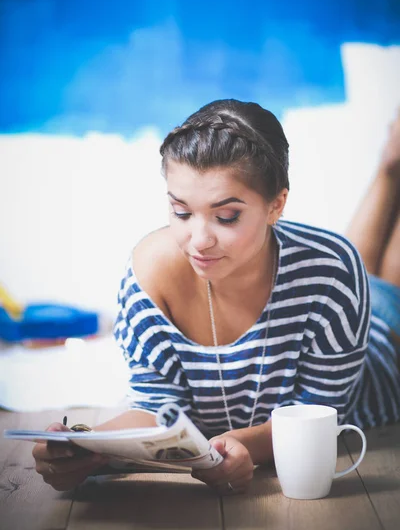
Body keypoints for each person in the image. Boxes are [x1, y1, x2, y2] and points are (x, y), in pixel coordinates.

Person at [33, 100, 400, 494]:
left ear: (276, 205)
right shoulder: (149, 275)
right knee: (359, 264)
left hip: (381, 336)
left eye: (226, 217)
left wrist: (243, 446)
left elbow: (315, 418)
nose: (200, 241)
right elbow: (154, 407)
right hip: (339, 290)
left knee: (368, 273)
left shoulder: (332, 271)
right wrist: (84, 445)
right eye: (181, 211)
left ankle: (391, 167)